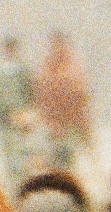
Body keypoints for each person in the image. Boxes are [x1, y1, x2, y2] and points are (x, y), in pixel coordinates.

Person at [34, 32, 95, 172]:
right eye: (54, 44)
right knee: (54, 159)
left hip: (73, 122)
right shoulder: (47, 67)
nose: (57, 47)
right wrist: (49, 120)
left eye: (60, 44)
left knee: (72, 158)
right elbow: (41, 95)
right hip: (54, 124)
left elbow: (81, 94)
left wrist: (82, 121)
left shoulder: (74, 66)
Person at [0, 38, 39, 182]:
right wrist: (1, 114)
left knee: (25, 152)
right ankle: (13, 183)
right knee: (8, 153)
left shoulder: (24, 70)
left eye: (13, 48)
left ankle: (26, 182)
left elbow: (31, 93)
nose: (10, 51)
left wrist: (28, 114)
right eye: (8, 48)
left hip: (21, 117)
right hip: (4, 118)